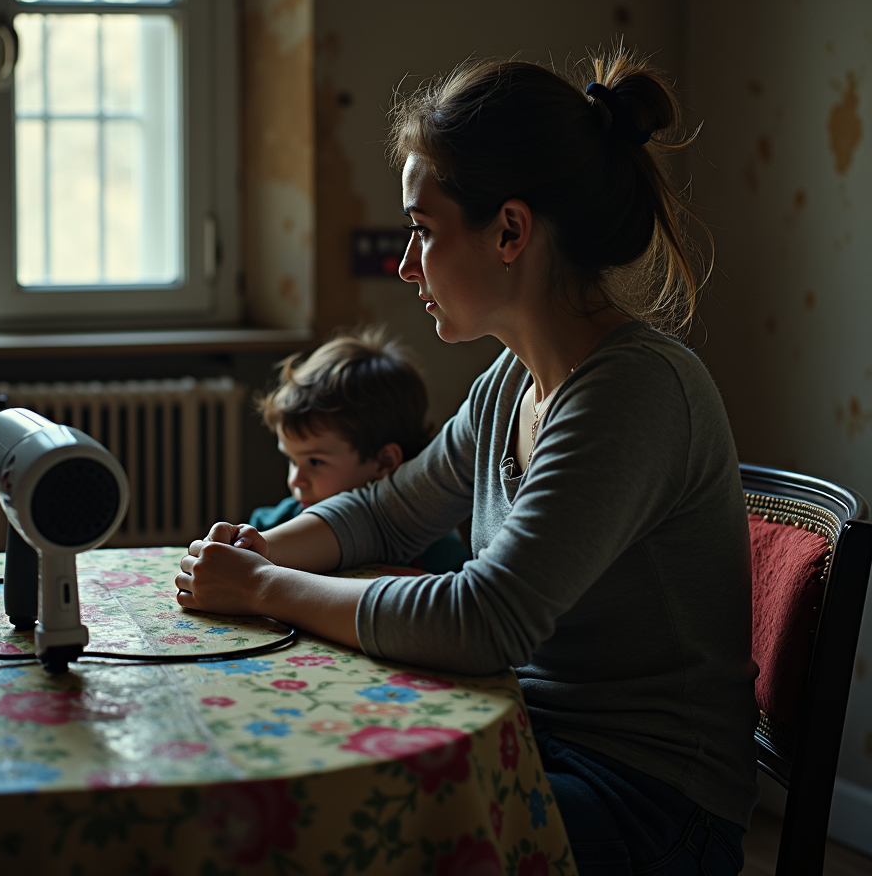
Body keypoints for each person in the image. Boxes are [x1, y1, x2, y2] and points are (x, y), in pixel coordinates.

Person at [175, 49, 757, 875]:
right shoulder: (509, 383)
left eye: (421, 231)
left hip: (650, 802)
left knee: (349, 838)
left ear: (511, 231)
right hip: (538, 737)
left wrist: (265, 589)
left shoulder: (635, 393)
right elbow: (387, 509)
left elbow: (487, 621)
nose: (405, 265)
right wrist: (259, 551)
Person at [248, 327, 471, 573]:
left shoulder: (437, 552)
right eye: (291, 460)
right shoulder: (271, 527)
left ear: (384, 462)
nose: (295, 481)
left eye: (315, 462)